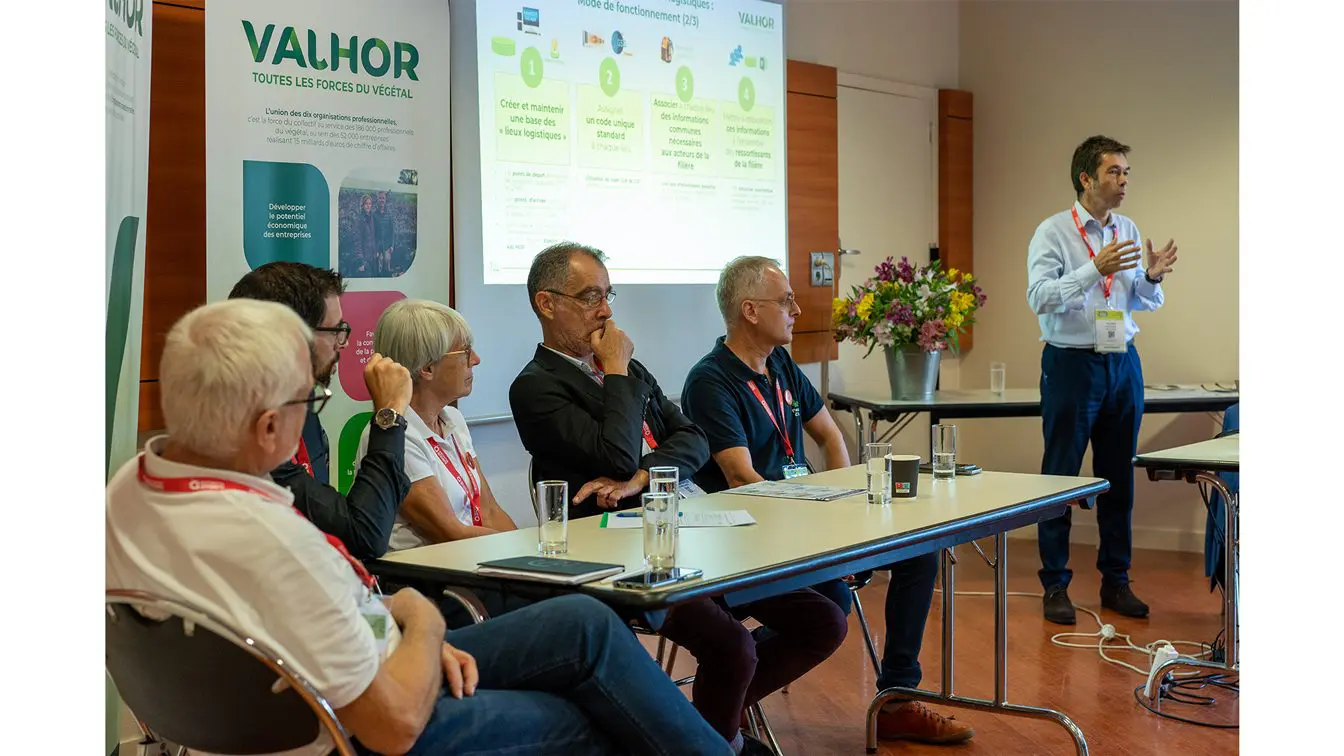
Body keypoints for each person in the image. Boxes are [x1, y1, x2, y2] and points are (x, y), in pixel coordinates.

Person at [106, 298, 734, 756]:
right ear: (270, 427)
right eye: (310, 401)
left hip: (341, 669)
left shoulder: (127, 493)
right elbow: (394, 726)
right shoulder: (276, 541)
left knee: (585, 624)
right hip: (359, 721)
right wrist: (421, 624)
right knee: (596, 710)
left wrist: (406, 634)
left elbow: (319, 615)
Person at [509, 242, 846, 754]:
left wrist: (643, 476)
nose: (606, 311)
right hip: (626, 554)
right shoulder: (536, 386)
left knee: (823, 620)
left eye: (608, 295)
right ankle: (715, 742)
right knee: (733, 645)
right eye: (591, 297)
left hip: (695, 529)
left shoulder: (631, 369)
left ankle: (696, 731)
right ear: (546, 303)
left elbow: (693, 438)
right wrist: (615, 371)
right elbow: (615, 454)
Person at [681, 256, 974, 746]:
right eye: (786, 301)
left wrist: (843, 512)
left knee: (919, 551)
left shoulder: (780, 364)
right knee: (830, 603)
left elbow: (830, 436)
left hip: (807, 526)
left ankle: (896, 700)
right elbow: (741, 478)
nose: (797, 310)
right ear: (750, 311)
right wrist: (816, 529)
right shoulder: (710, 381)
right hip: (751, 543)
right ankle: (721, 700)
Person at [1026, 135, 1178, 624]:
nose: (1124, 181)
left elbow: (1136, 300)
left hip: (1122, 362)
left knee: (1118, 478)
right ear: (1086, 179)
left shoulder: (1127, 228)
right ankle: (1055, 585)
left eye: (1127, 172)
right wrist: (1093, 268)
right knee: (1060, 476)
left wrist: (1151, 277)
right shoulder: (1053, 232)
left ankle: (1116, 581)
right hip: (1072, 364)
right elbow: (1040, 297)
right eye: (1114, 171)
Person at [229, 262, 411, 560]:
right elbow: (365, 535)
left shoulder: (299, 410)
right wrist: (388, 415)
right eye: (335, 331)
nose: (343, 343)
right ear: (292, 338)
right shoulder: (248, 433)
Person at [357, 299, 516, 548]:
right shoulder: (395, 436)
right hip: (431, 568)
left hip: (470, 559)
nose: (476, 359)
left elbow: (489, 511)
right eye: (465, 352)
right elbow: (450, 533)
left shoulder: (453, 419)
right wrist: (520, 549)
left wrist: (537, 558)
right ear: (428, 368)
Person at [374, 191, 395, 275]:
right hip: (377, 246)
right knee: (379, 267)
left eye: (383, 198)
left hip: (387, 246)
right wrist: (375, 249)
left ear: (385, 200)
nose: (382, 200)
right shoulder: (374, 215)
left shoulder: (389, 214)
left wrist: (392, 245)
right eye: (380, 198)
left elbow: (392, 231)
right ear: (377, 200)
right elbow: (373, 233)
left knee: (387, 265)